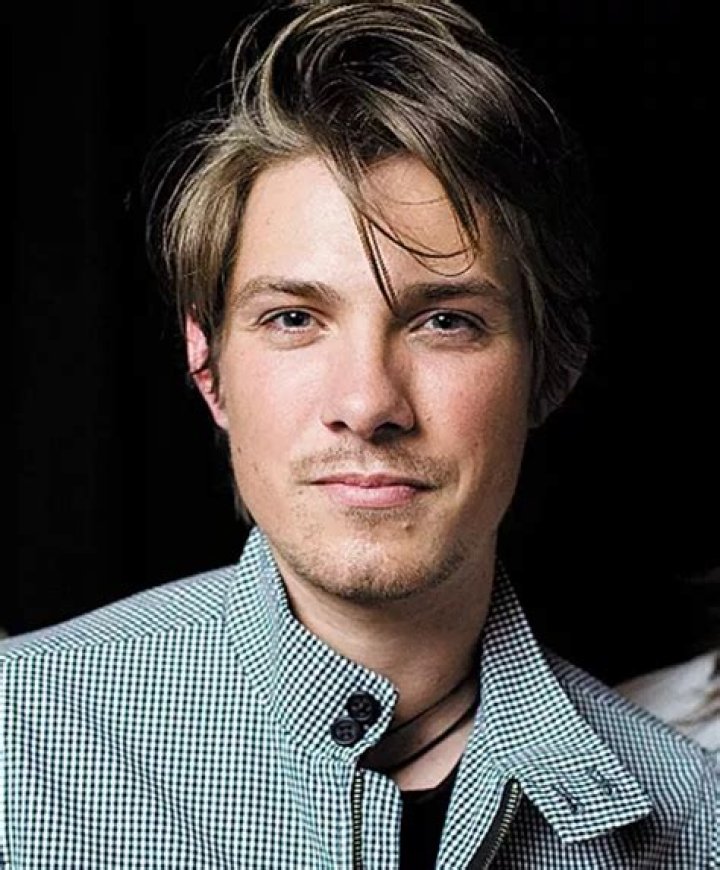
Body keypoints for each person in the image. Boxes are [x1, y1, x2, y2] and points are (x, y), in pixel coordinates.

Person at [2, 1, 715, 866]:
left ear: (551, 367)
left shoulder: (694, 822)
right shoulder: (21, 736)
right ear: (207, 366)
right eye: (294, 318)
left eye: (445, 321)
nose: (368, 402)